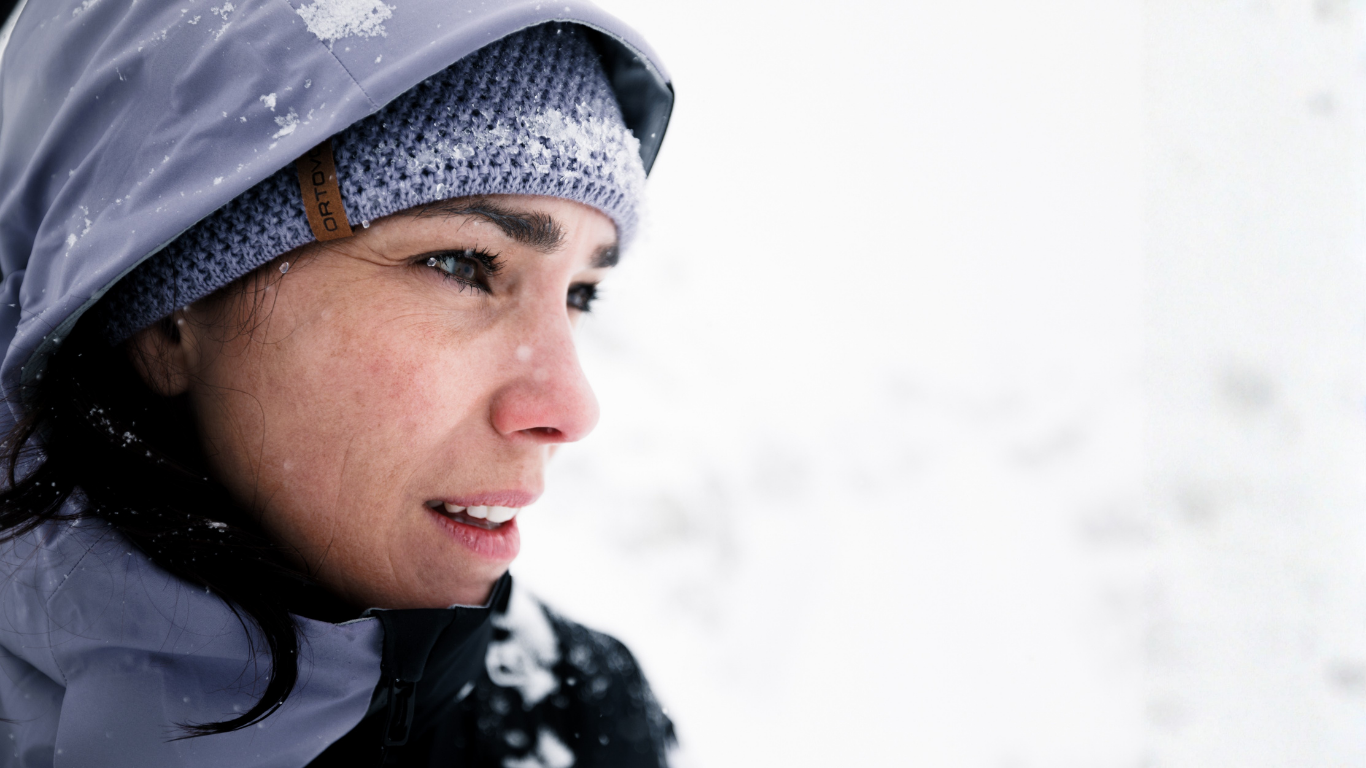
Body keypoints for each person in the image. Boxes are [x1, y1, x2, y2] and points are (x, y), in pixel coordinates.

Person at [0, 1, 676, 765]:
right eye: (462, 264)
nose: (570, 408)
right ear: (167, 323)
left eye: (581, 294)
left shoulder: (586, 717)